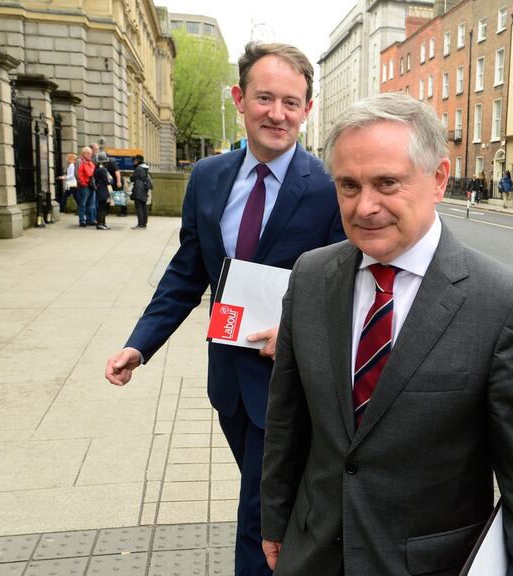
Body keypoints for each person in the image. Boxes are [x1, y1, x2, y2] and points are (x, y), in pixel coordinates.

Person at [259, 92, 513, 575]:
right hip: (312, 552)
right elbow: (287, 423)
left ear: (439, 178)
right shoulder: (311, 276)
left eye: (387, 183)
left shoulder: (502, 303)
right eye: (348, 185)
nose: (365, 206)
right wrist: (274, 522)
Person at [104, 42, 345, 576]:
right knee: (270, 500)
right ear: (240, 98)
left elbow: (349, 282)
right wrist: (139, 344)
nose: (277, 114)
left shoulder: (330, 189)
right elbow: (188, 271)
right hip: (229, 381)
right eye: (264, 98)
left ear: (307, 108)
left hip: (290, 381)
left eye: (291, 102)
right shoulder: (209, 177)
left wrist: (300, 331)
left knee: (260, 515)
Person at [92, 142, 126, 217]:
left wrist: (119, 181)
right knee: (107, 196)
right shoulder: (103, 163)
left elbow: (117, 172)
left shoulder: (112, 161)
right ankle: (106, 211)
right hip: (109, 181)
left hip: (117, 180)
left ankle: (124, 211)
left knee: (119, 195)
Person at [129, 154, 152, 229]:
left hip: (138, 190)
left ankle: (140, 224)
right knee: (144, 207)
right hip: (144, 190)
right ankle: (144, 224)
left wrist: (131, 176)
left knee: (139, 208)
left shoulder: (138, 169)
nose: (133, 162)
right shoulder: (145, 168)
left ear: (138, 161)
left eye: (135, 160)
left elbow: (132, 178)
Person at [92, 152, 113, 230]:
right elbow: (107, 181)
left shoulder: (96, 168)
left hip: (99, 190)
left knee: (101, 208)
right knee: (102, 208)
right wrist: (111, 181)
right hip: (103, 190)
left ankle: (102, 223)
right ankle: (100, 223)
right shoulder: (103, 169)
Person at [74, 147, 95, 227]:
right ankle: (82, 220)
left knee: (90, 204)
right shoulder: (79, 161)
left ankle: (90, 220)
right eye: (89, 153)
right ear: (84, 153)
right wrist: (82, 183)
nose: (91, 155)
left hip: (90, 186)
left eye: (91, 153)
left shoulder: (90, 162)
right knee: (82, 204)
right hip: (83, 186)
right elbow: (77, 174)